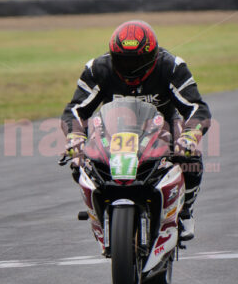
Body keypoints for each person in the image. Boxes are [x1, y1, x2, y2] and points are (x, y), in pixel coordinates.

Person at [61, 20, 211, 240]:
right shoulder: (98, 69)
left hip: (163, 130)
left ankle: (185, 210)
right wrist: (75, 136)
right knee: (80, 164)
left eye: (139, 61)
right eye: (123, 61)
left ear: (153, 56)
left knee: (190, 160)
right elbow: (75, 109)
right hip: (112, 133)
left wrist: (190, 135)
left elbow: (197, 108)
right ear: (113, 56)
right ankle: (99, 211)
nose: (131, 68)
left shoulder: (171, 66)